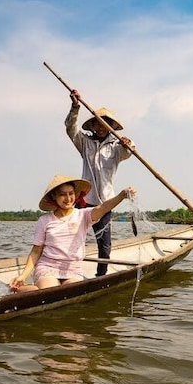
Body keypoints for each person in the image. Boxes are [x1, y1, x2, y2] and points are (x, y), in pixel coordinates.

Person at [10, 175, 135, 292]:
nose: (68, 198)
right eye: (62, 194)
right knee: (51, 292)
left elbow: (102, 208)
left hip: (73, 269)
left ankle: (31, 290)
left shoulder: (83, 215)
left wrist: (121, 195)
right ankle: (21, 289)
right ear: (54, 196)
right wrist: (23, 275)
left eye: (71, 193)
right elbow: (36, 252)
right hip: (48, 268)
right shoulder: (44, 220)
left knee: (72, 291)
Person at [66, 89, 135, 276]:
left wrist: (128, 144)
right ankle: (67, 273)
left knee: (104, 246)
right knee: (72, 240)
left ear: (111, 125)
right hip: (84, 201)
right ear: (94, 126)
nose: (101, 127)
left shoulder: (116, 147)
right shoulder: (85, 143)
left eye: (106, 124)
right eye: (98, 123)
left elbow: (129, 151)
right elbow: (70, 129)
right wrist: (75, 107)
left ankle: (100, 277)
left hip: (104, 203)